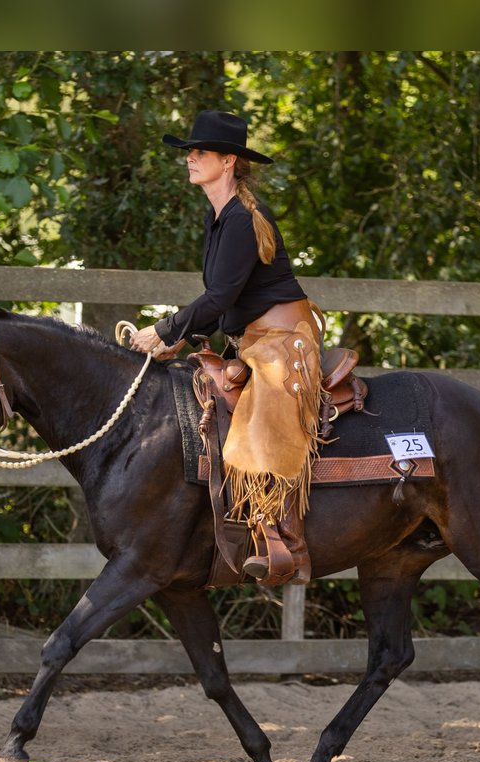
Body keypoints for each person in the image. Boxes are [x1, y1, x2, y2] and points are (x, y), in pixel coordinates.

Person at [129, 110, 321, 587]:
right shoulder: (219, 216)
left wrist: (165, 330)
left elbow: (218, 297)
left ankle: (284, 542)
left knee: (263, 406)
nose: (190, 157)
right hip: (250, 339)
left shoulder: (242, 218)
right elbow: (223, 302)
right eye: (189, 151)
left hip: (283, 340)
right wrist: (187, 340)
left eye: (201, 151)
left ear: (229, 161)